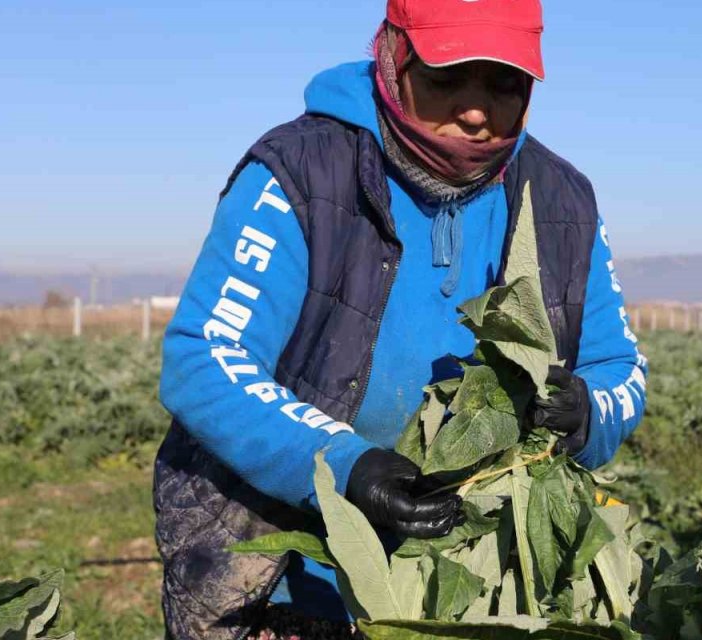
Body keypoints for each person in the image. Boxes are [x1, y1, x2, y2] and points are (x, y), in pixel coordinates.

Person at [152, 1, 649, 638]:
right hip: (277, 558)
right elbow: (204, 359)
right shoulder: (301, 172)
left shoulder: (561, 200)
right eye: (446, 78)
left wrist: (589, 412)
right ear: (393, 59)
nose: (476, 110)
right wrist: (341, 463)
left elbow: (616, 369)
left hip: (474, 583)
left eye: (504, 84)